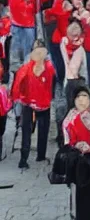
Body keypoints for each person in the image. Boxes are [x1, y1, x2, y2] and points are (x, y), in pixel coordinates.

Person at [63, 86, 90, 220]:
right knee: (79, 200)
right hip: (78, 164)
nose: (82, 100)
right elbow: (68, 141)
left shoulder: (89, 116)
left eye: (85, 97)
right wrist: (78, 146)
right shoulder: (71, 118)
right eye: (78, 97)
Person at [11, 38, 55, 168]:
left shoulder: (48, 66)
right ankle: (24, 158)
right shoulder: (28, 66)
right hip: (30, 103)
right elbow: (19, 84)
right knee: (28, 130)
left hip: (40, 103)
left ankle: (39, 155)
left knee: (41, 129)